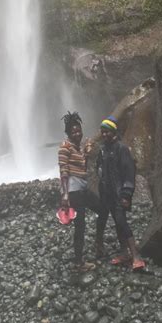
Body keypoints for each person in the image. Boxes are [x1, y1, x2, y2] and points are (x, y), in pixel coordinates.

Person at [58, 111, 107, 272]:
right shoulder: (65, 148)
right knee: (80, 226)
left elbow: (83, 169)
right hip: (73, 193)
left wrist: (86, 153)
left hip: (83, 190)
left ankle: (98, 243)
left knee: (103, 209)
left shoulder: (78, 148)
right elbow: (64, 171)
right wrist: (65, 196)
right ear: (68, 133)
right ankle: (78, 263)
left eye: (78, 130)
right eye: (73, 131)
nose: (77, 133)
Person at [96, 115, 146, 271]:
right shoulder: (103, 149)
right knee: (118, 223)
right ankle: (124, 253)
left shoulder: (121, 148)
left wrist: (126, 194)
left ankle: (136, 255)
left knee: (122, 221)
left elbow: (129, 172)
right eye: (103, 131)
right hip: (107, 194)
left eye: (107, 131)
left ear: (114, 132)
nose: (104, 135)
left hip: (119, 194)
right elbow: (99, 169)